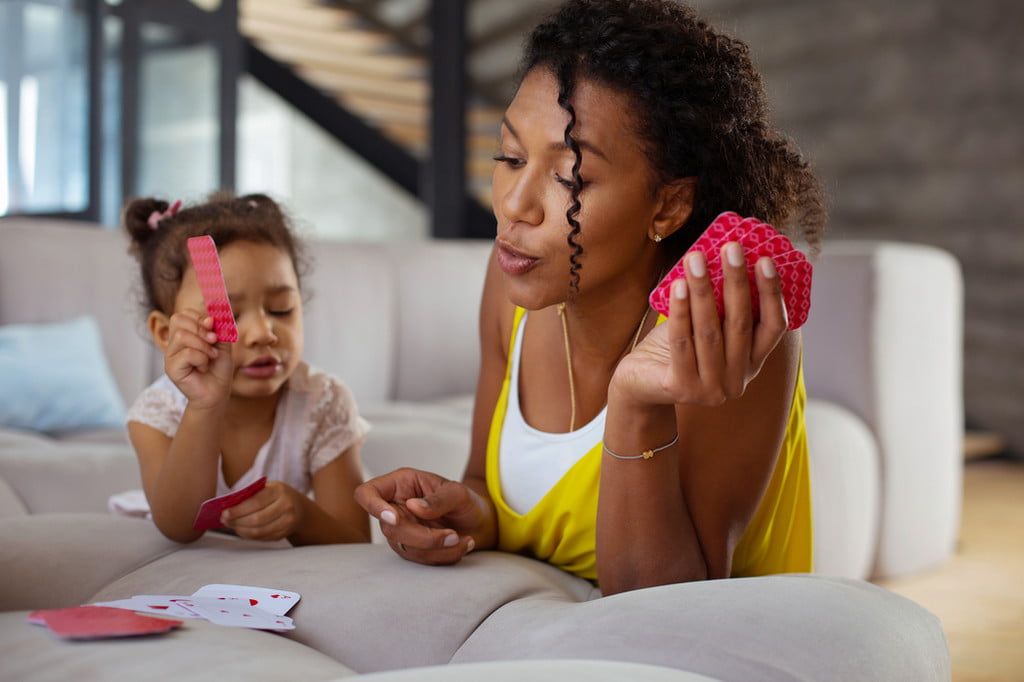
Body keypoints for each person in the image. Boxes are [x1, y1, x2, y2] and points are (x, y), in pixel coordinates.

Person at [356, 0, 827, 595]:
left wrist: (635, 407)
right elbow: (484, 481)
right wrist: (463, 515)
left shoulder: (729, 325)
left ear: (669, 205)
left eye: (569, 178)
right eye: (510, 157)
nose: (514, 205)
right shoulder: (509, 288)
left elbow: (664, 606)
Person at [117, 192, 371, 545]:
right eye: (229, 317)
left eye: (282, 309)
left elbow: (355, 540)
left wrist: (302, 514)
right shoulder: (158, 412)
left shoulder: (323, 402)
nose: (264, 333)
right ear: (165, 332)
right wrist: (205, 406)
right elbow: (179, 527)